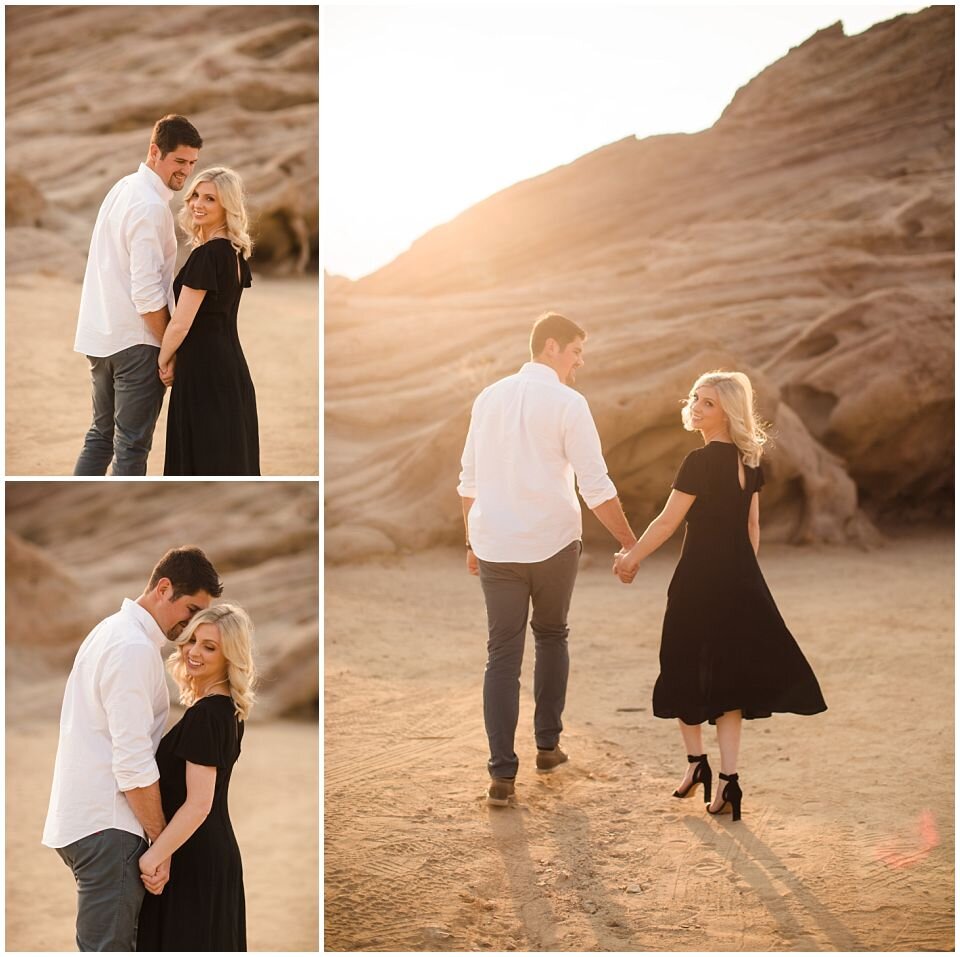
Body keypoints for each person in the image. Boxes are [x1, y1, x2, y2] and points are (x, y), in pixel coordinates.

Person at [613, 371, 827, 821]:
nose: (695, 406)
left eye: (707, 402)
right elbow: (752, 527)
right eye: (694, 398)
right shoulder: (751, 463)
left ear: (727, 411)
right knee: (729, 680)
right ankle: (729, 782)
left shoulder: (699, 461)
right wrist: (743, 574)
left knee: (680, 665)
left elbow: (668, 524)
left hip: (698, 581)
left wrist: (631, 557)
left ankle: (697, 765)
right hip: (741, 581)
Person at [458, 312, 638, 807]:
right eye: (577, 351)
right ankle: (547, 746)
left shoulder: (488, 397)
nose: (579, 362)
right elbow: (595, 485)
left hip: (494, 542)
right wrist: (630, 542)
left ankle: (501, 775)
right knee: (552, 634)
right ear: (553, 346)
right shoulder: (568, 402)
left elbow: (468, 480)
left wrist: (471, 542)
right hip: (554, 542)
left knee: (502, 653)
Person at [42, 546, 223, 951]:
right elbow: (133, 764)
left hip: (90, 821)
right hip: (110, 827)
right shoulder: (132, 648)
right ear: (164, 588)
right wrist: (161, 847)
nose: (191, 624)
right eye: (191, 609)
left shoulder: (113, 630)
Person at [73, 114, 202, 475]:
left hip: (100, 337)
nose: (186, 171)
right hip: (137, 344)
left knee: (100, 437)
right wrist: (168, 352)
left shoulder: (123, 188)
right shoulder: (149, 205)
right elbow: (146, 293)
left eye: (192, 163)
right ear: (154, 151)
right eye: (179, 161)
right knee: (130, 446)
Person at [136, 603, 257, 951]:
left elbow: (198, 805)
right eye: (193, 641)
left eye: (210, 647)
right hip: (207, 852)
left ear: (230, 656)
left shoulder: (207, 715)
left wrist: (152, 856)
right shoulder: (226, 710)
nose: (194, 652)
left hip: (194, 859)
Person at [159, 166, 260, 475]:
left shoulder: (208, 255)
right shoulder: (234, 253)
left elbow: (181, 323)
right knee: (228, 455)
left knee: (202, 457)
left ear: (227, 205)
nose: (197, 204)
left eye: (210, 199)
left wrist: (163, 359)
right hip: (231, 369)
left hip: (203, 371)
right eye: (195, 196)